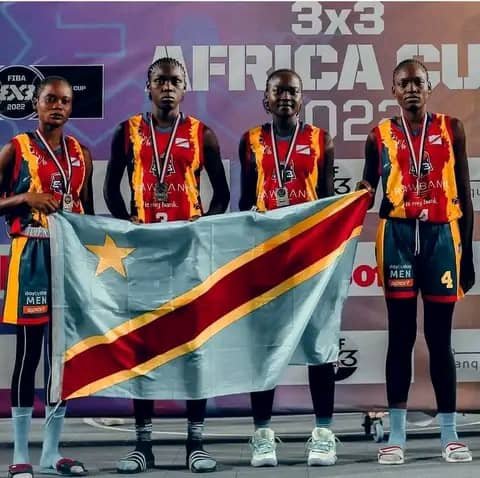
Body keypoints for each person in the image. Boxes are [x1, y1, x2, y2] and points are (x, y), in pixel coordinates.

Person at [104, 57, 230, 474]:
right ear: (148, 86)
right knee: (144, 348)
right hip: (145, 255)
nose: (168, 87)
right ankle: (143, 445)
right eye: (161, 81)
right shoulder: (127, 132)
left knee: (194, 348)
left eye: (176, 81)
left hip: (188, 255)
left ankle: (196, 442)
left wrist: (201, 226)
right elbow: (110, 189)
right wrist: (129, 227)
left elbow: (222, 194)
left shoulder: (201, 134)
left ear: (185, 87)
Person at [360, 58, 474, 465]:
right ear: (393, 90)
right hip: (398, 237)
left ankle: (450, 433)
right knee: (401, 337)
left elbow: (465, 191)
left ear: (429, 88)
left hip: (442, 236)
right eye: (404, 83)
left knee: (440, 340)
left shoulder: (451, 128)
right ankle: (396, 435)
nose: (411, 89)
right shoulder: (379, 135)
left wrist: (468, 254)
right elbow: (366, 192)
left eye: (418, 82)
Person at [238, 68, 337, 467]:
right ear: (265, 99)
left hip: (310, 261)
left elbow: (328, 202)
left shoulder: (320, 140)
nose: (285, 97)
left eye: (292, 91)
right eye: (277, 91)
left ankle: (323, 434)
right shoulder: (250, 140)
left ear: (302, 98)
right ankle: (262, 435)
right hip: (267, 259)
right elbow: (245, 203)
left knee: (319, 345)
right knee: (264, 348)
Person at [0, 76, 94, 478]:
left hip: (68, 259)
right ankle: (20, 452)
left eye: (65, 101)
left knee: (61, 357)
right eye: (50, 99)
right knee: (29, 354)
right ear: (36, 104)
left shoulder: (81, 154)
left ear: (71, 108)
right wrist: (25, 197)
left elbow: (87, 215)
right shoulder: (16, 148)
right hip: (32, 256)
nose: (57, 106)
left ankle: (52, 452)